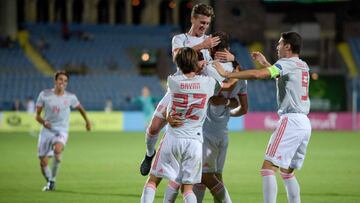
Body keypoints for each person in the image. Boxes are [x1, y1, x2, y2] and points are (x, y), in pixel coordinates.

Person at [214, 31, 311, 203]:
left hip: (291, 121)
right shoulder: (302, 65)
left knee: (267, 168)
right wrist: (265, 63)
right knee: (287, 172)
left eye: (280, 43)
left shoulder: (286, 63)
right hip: (304, 123)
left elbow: (258, 75)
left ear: (288, 46)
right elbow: (283, 77)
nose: (277, 46)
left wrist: (227, 74)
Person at [139, 3, 234, 177]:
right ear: (193, 19)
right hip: (179, 90)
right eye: (201, 22)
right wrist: (202, 45)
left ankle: (199, 178)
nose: (204, 26)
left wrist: (231, 58)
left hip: (201, 93)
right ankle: (149, 154)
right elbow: (177, 57)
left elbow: (226, 65)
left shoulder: (213, 41)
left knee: (196, 140)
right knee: (153, 128)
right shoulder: (180, 39)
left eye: (207, 24)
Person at [163, 31, 248, 203]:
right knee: (213, 178)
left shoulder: (209, 70)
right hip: (223, 133)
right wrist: (228, 104)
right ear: (228, 49)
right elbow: (243, 108)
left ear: (212, 50)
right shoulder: (241, 76)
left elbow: (187, 65)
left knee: (192, 177)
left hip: (204, 133)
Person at [140, 47, 218, 203]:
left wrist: (168, 115)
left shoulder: (173, 81)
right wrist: (206, 63)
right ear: (196, 63)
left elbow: (174, 97)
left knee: (153, 181)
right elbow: (219, 78)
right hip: (195, 142)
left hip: (174, 137)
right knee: (187, 190)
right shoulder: (209, 83)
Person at [35, 70, 91, 191]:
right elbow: (37, 116)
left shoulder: (70, 97)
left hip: (61, 130)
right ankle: (50, 182)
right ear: (55, 81)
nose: (63, 82)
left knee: (58, 150)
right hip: (46, 131)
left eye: (65, 81)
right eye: (60, 79)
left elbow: (80, 108)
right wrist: (44, 122)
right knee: (43, 163)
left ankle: (53, 179)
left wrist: (87, 121)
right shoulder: (44, 95)